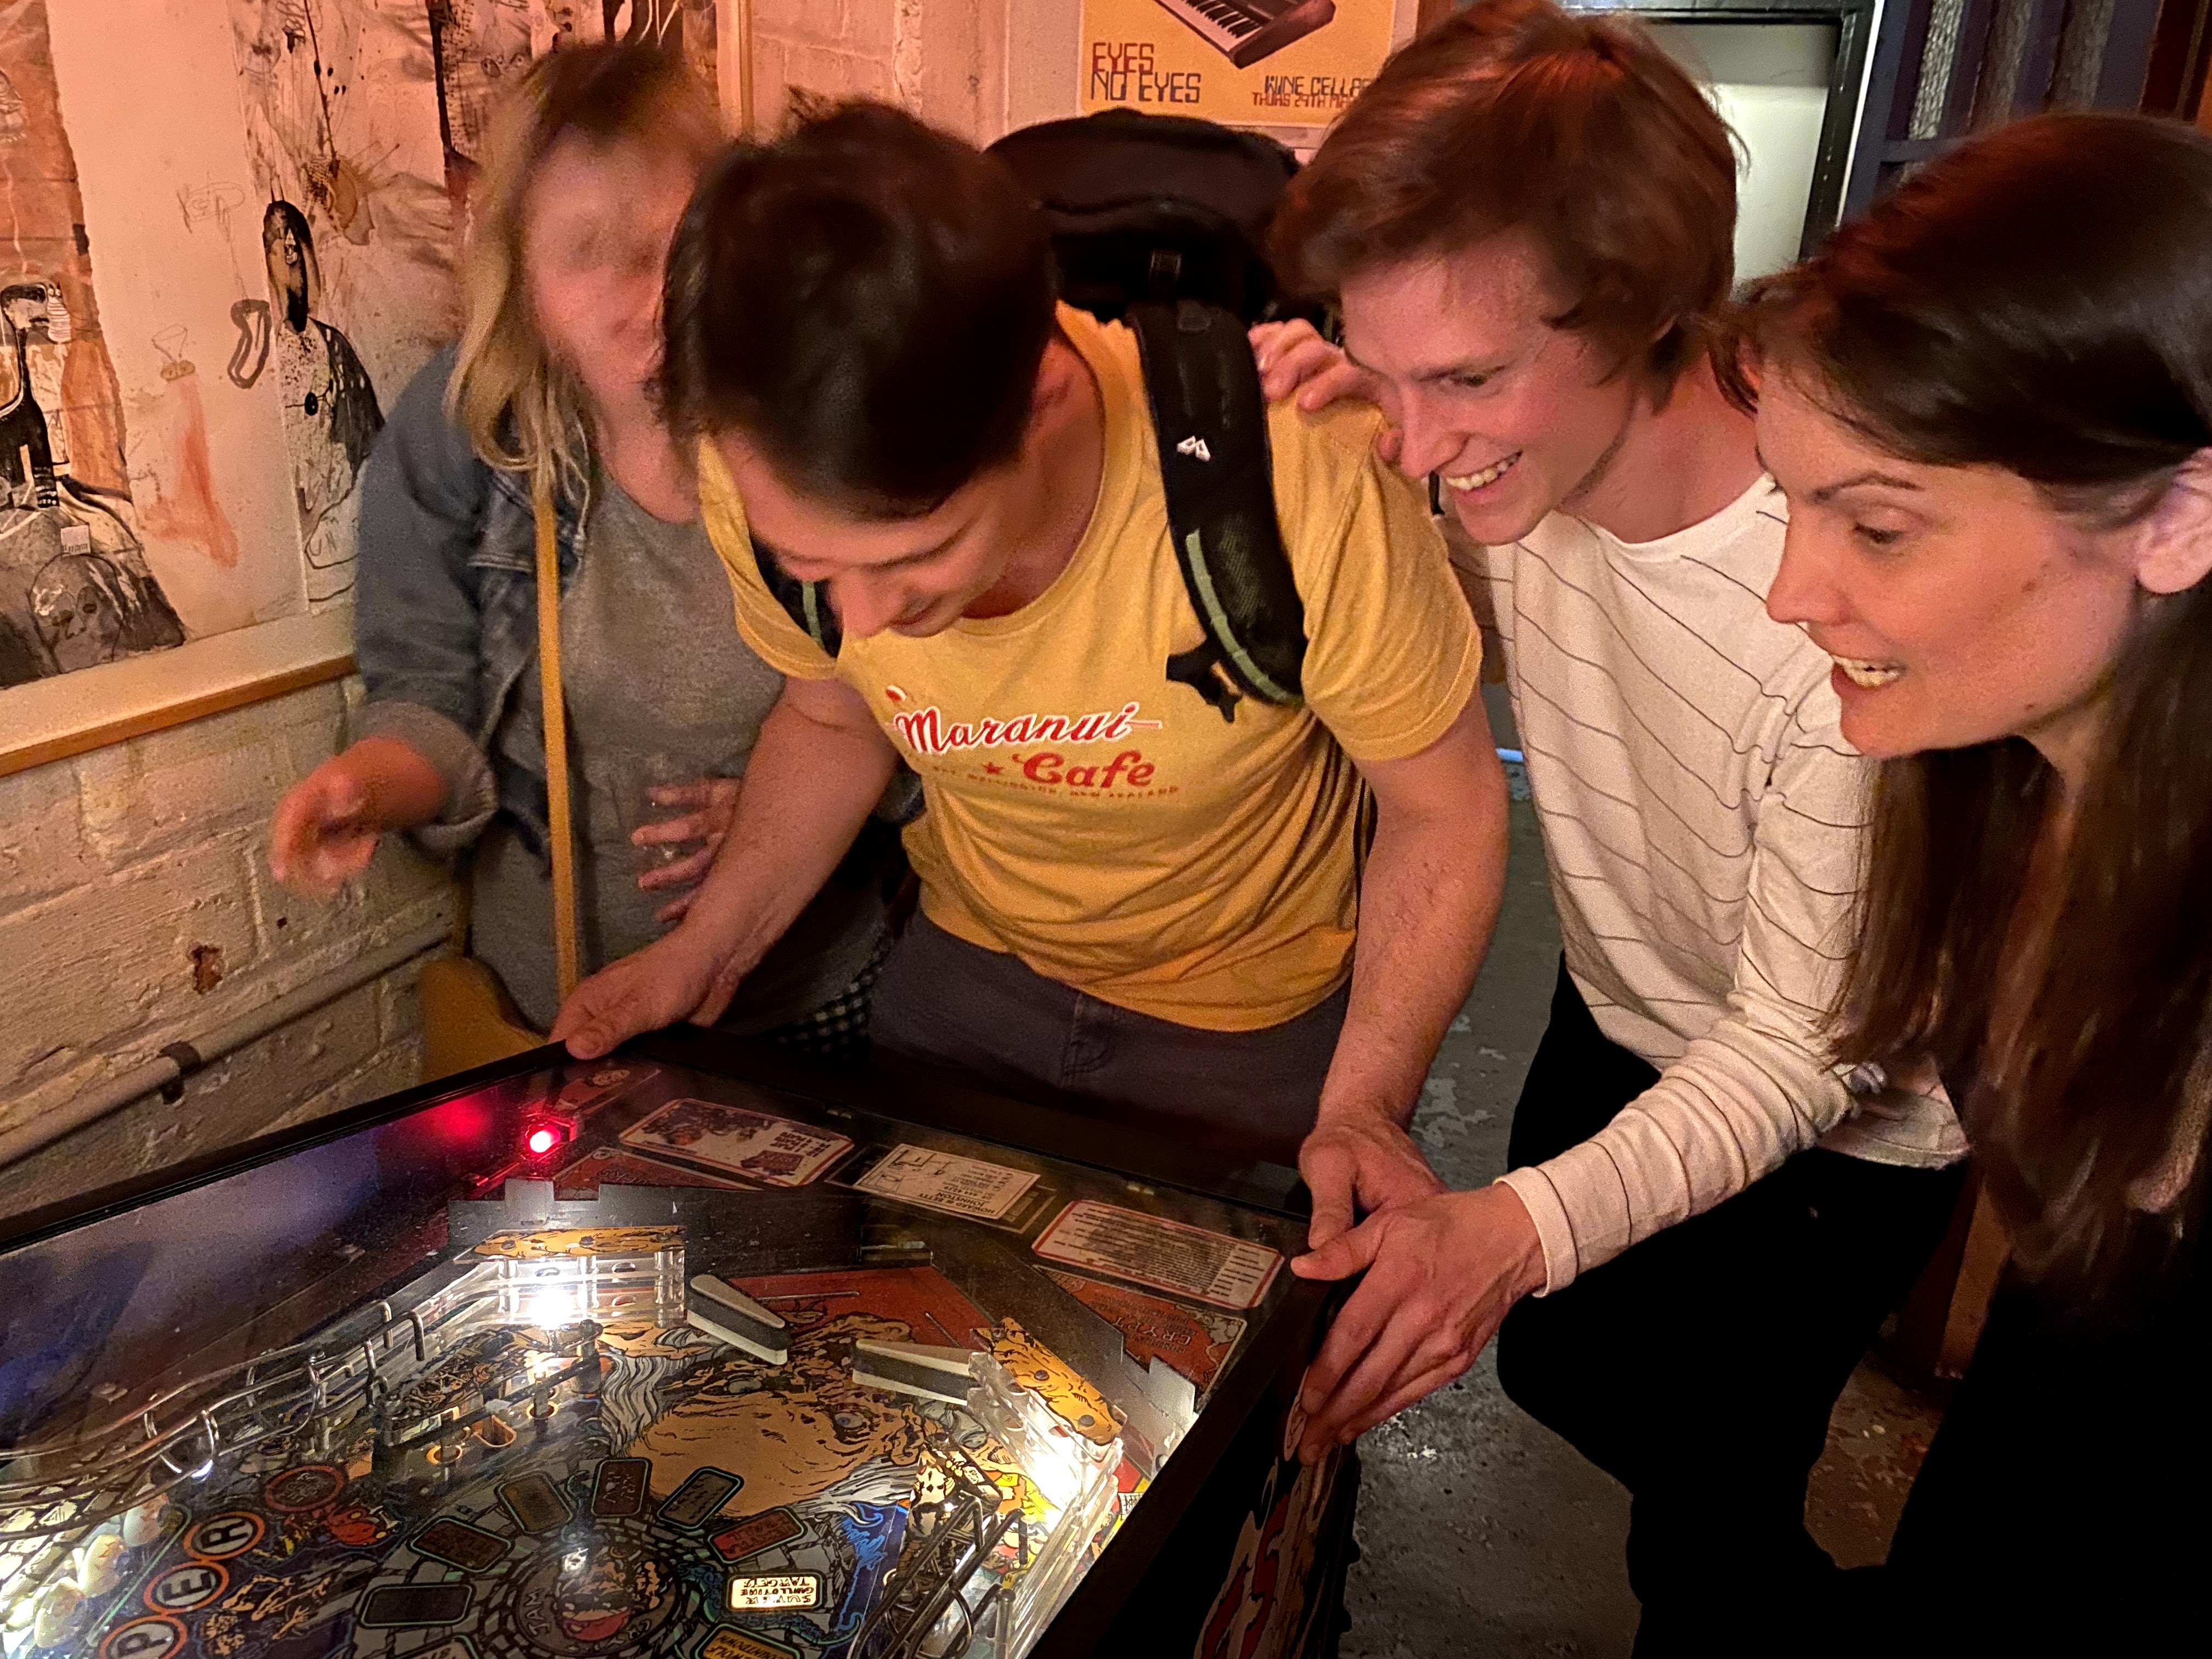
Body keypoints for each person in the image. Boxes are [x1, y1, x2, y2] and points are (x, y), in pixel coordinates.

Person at [1254, 4, 1963, 1649]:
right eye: (1382, 364)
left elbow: (1804, 1049)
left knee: (1704, 1525)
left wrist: (1515, 1233)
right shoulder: (1512, 475)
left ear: (1647, 307)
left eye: (1469, 377)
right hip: (1627, 989)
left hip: (1836, 1116)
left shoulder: (1833, 595)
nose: (1420, 441)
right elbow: (1458, 626)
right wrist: (1379, 416)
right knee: (1569, 1360)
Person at [551, 99, 1508, 1190]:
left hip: (1242, 1029)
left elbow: (1446, 811)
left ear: (1042, 400)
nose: (864, 620)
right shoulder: (761, 462)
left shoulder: (1297, 484)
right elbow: (834, 712)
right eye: (815, 566)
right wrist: (706, 953)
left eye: (919, 554)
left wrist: (1364, 1110)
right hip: (965, 978)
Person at [1739, 111, 2212, 1652]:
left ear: (2179, 519)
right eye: (1792, 502)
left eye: (1878, 525)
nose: (1792, 592)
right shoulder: (2013, 780)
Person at [268, 44, 892, 1051]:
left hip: (806, 994)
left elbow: (915, 705)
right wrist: (365, 789)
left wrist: (785, 820)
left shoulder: (803, 411)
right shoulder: (465, 432)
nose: (644, 301)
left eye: (670, 247)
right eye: (589, 253)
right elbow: (429, 699)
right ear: (521, 276)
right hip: (557, 1003)